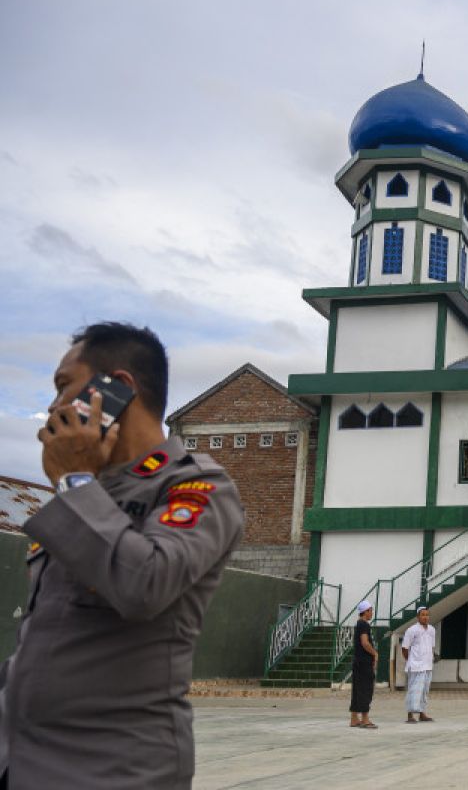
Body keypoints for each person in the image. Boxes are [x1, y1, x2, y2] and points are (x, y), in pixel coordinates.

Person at [0, 322, 245, 789]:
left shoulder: (196, 486)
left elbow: (144, 584)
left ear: (117, 387)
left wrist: (74, 482)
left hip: (111, 769)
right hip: (24, 759)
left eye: (62, 387)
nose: (52, 407)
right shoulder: (90, 489)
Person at [400, 607, 436, 723]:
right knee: (413, 690)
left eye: (427, 615)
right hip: (415, 666)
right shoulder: (412, 630)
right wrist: (410, 660)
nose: (425, 617)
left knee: (424, 691)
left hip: (427, 665)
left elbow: (432, 646)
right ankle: (410, 715)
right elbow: (405, 648)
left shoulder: (431, 630)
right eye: (423, 615)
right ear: (418, 617)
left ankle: (422, 713)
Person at [350, 600, 379, 729]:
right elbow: (365, 643)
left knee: (357, 690)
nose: (371, 613)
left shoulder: (358, 624)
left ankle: (354, 719)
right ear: (365, 611)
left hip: (357, 662)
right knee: (366, 689)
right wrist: (375, 653)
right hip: (364, 663)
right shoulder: (364, 624)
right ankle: (365, 719)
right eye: (370, 610)